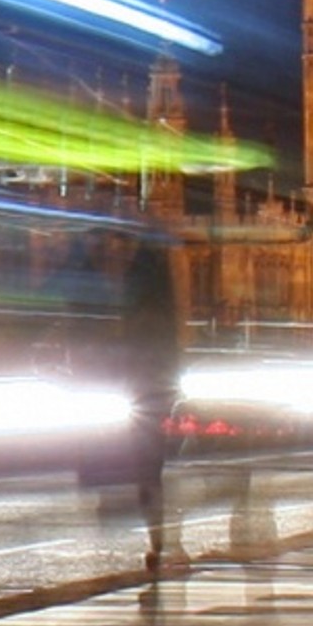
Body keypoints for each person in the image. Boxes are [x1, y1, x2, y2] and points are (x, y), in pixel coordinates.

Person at [118, 238, 182, 572]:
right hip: (158, 396)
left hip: (144, 397)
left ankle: (158, 538)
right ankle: (160, 537)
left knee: (149, 473)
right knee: (156, 472)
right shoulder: (162, 320)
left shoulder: (136, 322)